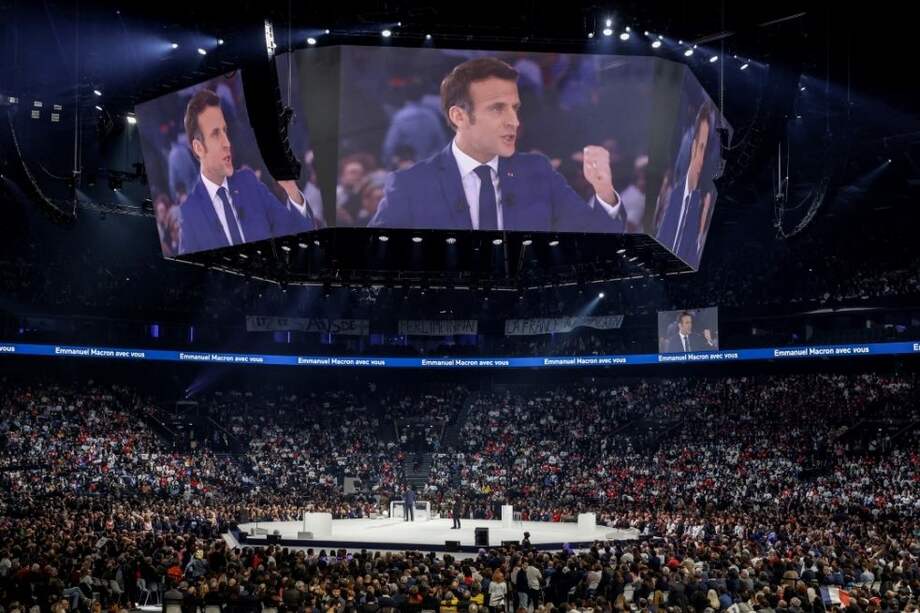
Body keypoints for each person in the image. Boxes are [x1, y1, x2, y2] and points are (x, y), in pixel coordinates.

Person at [369, 57, 627, 233]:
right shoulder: (410, 185)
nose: (513, 121)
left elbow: (598, 237)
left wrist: (603, 190)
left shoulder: (538, 172)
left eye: (515, 109)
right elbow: (372, 257)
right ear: (458, 116)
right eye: (497, 109)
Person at [176, 89, 314, 255]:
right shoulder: (190, 213)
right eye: (215, 134)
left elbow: (298, 234)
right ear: (198, 148)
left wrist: (292, 190)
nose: (227, 143)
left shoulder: (249, 183)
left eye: (225, 131)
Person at [656, 100, 714, 267]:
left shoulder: (695, 204)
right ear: (693, 146)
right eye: (701, 148)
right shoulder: (672, 200)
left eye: (705, 149)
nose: (702, 160)